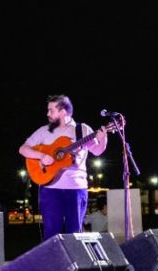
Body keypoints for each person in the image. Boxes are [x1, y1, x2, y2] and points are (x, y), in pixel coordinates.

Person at [18, 94, 108, 241]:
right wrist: (41, 156)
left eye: (51, 110)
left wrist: (103, 138)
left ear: (63, 111)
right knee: (52, 234)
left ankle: (75, 263)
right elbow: (23, 149)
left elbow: (97, 151)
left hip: (76, 189)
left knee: (75, 233)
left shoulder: (82, 129)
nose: (48, 114)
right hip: (51, 189)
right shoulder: (44, 131)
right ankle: (53, 263)